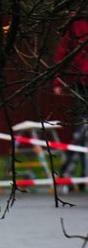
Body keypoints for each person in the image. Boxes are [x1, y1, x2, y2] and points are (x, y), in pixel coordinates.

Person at [54, 10, 88, 184]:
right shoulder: (75, 25)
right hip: (82, 84)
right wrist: (58, 81)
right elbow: (62, 54)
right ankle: (83, 175)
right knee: (82, 131)